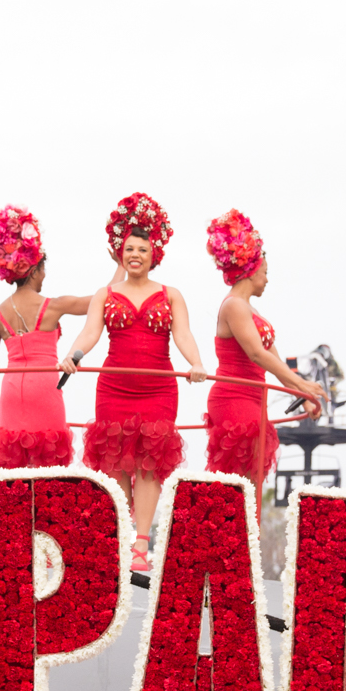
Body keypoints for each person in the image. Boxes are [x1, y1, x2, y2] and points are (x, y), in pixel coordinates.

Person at [60, 193, 208, 569]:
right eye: (129, 249)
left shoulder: (171, 294)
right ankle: (122, 534)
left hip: (158, 388)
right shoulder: (105, 294)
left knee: (147, 462)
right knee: (114, 460)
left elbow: (184, 336)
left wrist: (196, 363)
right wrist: (73, 357)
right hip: (114, 388)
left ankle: (142, 544)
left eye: (142, 249)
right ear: (120, 253)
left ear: (153, 253)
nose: (135, 255)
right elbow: (90, 333)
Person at [201, 210, 325, 500]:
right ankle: (232, 541)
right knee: (236, 484)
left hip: (256, 399)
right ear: (251, 270)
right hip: (234, 397)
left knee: (251, 484)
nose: (267, 280)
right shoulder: (234, 306)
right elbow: (257, 354)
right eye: (265, 272)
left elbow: (275, 362)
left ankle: (247, 542)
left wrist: (302, 394)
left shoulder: (251, 310)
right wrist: (304, 387)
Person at [0, 205, 84, 470]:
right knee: (49, 473)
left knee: (14, 477)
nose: (45, 276)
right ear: (34, 270)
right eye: (43, 270)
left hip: (10, 394)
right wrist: (119, 271)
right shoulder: (54, 306)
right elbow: (98, 302)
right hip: (45, 388)